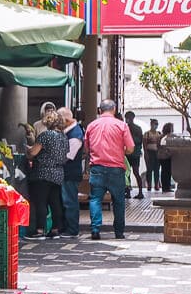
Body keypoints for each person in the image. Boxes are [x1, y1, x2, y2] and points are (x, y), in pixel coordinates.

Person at [85, 99, 133, 240]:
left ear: (100, 110)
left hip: (97, 168)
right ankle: (119, 232)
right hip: (116, 168)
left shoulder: (91, 126)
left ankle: (95, 229)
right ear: (114, 109)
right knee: (118, 201)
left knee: (95, 199)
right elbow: (130, 148)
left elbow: (87, 148)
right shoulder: (121, 125)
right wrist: (119, 151)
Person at [23, 110, 68, 240]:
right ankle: (55, 229)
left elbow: (33, 152)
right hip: (58, 173)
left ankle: (39, 230)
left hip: (43, 172)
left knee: (41, 202)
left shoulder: (46, 135)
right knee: (55, 202)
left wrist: (28, 150)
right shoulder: (63, 137)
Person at [58, 107, 84, 238]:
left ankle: (72, 229)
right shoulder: (69, 132)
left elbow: (68, 156)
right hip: (65, 172)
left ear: (66, 120)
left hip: (70, 172)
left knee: (69, 201)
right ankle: (66, 228)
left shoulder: (75, 134)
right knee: (65, 200)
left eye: (60, 120)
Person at [124, 111, 144, 200]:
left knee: (130, 172)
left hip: (130, 153)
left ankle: (133, 192)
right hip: (133, 154)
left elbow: (139, 141)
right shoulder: (137, 128)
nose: (127, 120)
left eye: (127, 118)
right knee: (132, 173)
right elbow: (140, 141)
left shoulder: (128, 128)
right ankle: (134, 192)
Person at [143, 119, 162, 191]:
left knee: (157, 170)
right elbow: (144, 145)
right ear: (151, 124)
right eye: (154, 124)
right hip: (149, 152)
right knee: (149, 170)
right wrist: (146, 154)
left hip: (156, 153)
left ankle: (157, 185)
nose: (156, 125)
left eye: (157, 124)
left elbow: (160, 144)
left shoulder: (158, 134)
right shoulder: (146, 134)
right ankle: (149, 185)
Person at [159, 122, 174, 193]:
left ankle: (165, 187)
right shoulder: (168, 136)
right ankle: (166, 187)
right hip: (167, 156)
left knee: (164, 172)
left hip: (161, 157)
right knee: (167, 172)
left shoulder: (161, 136)